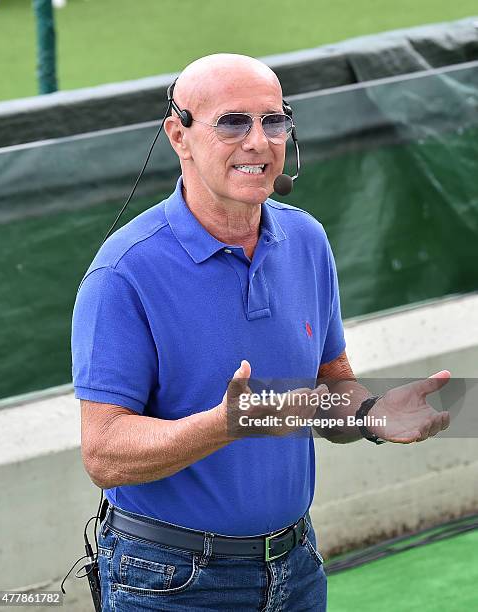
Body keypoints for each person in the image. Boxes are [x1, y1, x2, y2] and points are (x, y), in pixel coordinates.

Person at [71, 53, 450, 611]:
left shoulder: (307, 240)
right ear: (179, 135)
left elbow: (328, 388)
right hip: (172, 580)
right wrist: (228, 425)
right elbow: (104, 453)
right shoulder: (123, 272)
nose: (259, 141)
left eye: (274, 120)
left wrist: (370, 414)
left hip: (296, 567)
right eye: (232, 122)